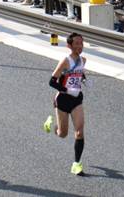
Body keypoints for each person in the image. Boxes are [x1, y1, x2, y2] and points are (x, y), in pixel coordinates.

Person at [43, 33, 88, 176]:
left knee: (79, 132)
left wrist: (85, 80)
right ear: (69, 46)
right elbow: (52, 82)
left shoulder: (84, 60)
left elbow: (79, 74)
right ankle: (52, 125)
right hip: (62, 99)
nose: (79, 46)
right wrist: (67, 90)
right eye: (76, 44)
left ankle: (76, 164)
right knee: (62, 134)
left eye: (81, 43)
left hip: (76, 100)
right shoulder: (65, 61)